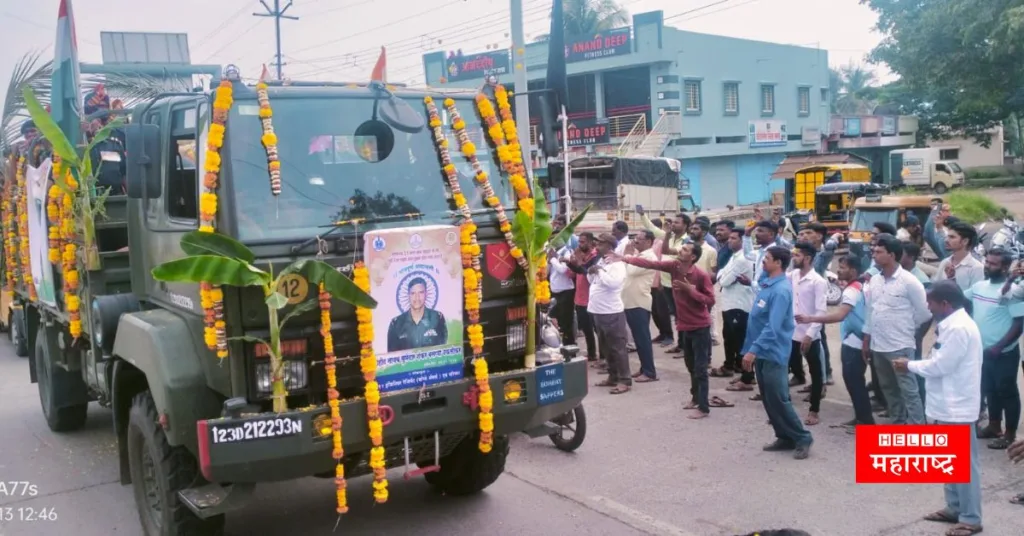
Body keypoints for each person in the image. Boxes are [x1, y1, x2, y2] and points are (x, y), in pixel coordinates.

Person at [893, 280, 983, 536]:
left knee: (964, 464)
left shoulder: (959, 328)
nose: (928, 307)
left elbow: (940, 366)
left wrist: (909, 365)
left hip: (957, 406)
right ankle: (954, 507)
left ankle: (971, 518)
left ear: (945, 304)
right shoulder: (950, 325)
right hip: (945, 404)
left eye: (930, 302)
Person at [619, 242, 720, 418]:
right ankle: (695, 398)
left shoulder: (700, 276)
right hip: (685, 326)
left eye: (685, 250)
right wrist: (625, 258)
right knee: (690, 365)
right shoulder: (674, 267)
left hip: (700, 327)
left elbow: (710, 300)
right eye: (682, 248)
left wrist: (690, 291)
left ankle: (703, 407)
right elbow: (651, 264)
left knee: (700, 368)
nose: (680, 250)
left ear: (693, 257)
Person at [741, 246, 813, 459]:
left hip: (771, 351)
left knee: (779, 398)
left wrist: (752, 350)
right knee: (768, 398)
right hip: (762, 351)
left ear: (779, 264)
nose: (763, 262)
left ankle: (802, 437)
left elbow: (773, 327)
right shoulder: (768, 284)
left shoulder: (781, 290)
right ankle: (784, 436)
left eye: (767, 259)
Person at [797, 255, 875, 429]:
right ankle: (861, 417)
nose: (838, 270)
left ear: (853, 271)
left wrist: (811, 318)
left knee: (854, 382)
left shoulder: (851, 290)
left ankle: (865, 421)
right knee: (855, 382)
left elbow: (840, 315)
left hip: (854, 341)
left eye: (843, 267)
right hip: (858, 339)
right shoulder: (862, 285)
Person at [862, 234, 930, 425]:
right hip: (878, 346)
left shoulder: (909, 281)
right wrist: (867, 339)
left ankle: (918, 428)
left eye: (878, 252)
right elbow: (870, 310)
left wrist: (908, 331)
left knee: (909, 391)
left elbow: (924, 313)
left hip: (900, 346)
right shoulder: (875, 280)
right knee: (888, 389)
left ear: (891, 255)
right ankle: (898, 423)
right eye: (873, 251)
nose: (874, 255)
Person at [966, 248, 1023, 449]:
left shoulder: (1013, 291)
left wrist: (999, 347)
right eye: (987, 262)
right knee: (989, 389)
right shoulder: (980, 286)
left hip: (1004, 353)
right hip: (983, 352)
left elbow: (1018, 325)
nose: (988, 266)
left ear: (1006, 267)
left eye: (993, 264)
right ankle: (993, 426)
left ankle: (1009, 434)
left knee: (1006, 391)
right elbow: (961, 300)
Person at [787, 242, 828, 426]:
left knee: (816, 372)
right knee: (785, 369)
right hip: (791, 333)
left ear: (808, 258)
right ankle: (784, 410)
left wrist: (810, 334)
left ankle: (815, 410)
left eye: (797, 255)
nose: (794, 257)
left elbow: (821, 312)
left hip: (809, 335)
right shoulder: (793, 275)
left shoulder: (818, 282)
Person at [796, 222, 840, 386]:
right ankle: (801, 374)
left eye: (808, 233)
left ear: (819, 236)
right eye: (801, 233)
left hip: (814, 306)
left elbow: (829, 251)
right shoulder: (799, 254)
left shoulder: (820, 255)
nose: (804, 236)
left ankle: (825, 374)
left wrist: (833, 240)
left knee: (818, 340)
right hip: (799, 303)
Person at [587, 234, 631, 394]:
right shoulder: (601, 261)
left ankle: (624, 380)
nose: (596, 247)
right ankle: (612, 376)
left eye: (599, 244)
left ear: (608, 246)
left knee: (617, 348)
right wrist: (592, 272)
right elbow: (592, 281)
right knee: (606, 348)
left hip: (611, 312)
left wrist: (599, 272)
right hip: (598, 311)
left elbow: (613, 283)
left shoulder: (617, 264)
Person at [716, 227, 756, 381]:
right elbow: (721, 272)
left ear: (742, 241)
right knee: (729, 337)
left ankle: (745, 374)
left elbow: (724, 280)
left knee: (739, 339)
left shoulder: (742, 259)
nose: (729, 241)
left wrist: (723, 276)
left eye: (733, 238)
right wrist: (723, 275)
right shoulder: (734, 256)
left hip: (739, 304)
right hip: (729, 303)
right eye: (729, 238)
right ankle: (732, 365)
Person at [622, 230, 659, 382]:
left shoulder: (649, 257)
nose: (635, 241)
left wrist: (627, 256)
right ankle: (644, 368)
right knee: (638, 338)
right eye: (635, 238)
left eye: (639, 239)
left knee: (643, 339)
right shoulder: (640, 255)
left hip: (639, 302)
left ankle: (650, 372)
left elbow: (630, 271)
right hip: (631, 301)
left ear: (649, 242)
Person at [386, 277, 448, 352]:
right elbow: (392, 356)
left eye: (421, 292)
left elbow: (444, 352)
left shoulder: (437, 318)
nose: (417, 297)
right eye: (413, 293)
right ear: (408, 295)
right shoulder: (396, 323)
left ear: (426, 294)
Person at [566, 232, 599, 362]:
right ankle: (591, 354)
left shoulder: (595, 256)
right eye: (579, 242)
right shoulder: (579, 254)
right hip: (580, 298)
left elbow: (589, 275)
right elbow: (570, 275)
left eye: (583, 242)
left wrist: (578, 263)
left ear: (591, 242)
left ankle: (604, 358)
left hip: (592, 299)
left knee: (598, 330)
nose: (580, 245)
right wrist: (573, 262)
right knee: (586, 330)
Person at [689, 219, 720, 347]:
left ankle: (712, 337)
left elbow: (714, 272)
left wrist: (706, 286)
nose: (692, 231)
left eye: (696, 229)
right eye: (692, 228)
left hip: (704, 286)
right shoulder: (688, 247)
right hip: (689, 286)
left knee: (708, 313)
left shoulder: (710, 250)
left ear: (704, 232)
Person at [934, 222, 984, 291]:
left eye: (952, 237)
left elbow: (975, 297)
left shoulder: (976, 268)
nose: (946, 240)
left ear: (965, 241)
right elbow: (935, 288)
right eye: (947, 237)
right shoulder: (945, 262)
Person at [649, 218, 675, 345]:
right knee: (654, 310)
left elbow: (661, 262)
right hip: (651, 281)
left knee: (662, 310)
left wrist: (659, 280)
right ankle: (662, 333)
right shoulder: (654, 242)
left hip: (659, 281)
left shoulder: (661, 242)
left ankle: (668, 335)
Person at [548, 243, 577, 346]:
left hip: (566, 292)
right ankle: (561, 345)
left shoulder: (567, 252)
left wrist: (553, 259)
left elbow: (563, 270)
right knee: (554, 320)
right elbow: (549, 271)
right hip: (555, 292)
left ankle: (570, 347)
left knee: (566, 323)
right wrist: (548, 260)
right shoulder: (552, 252)